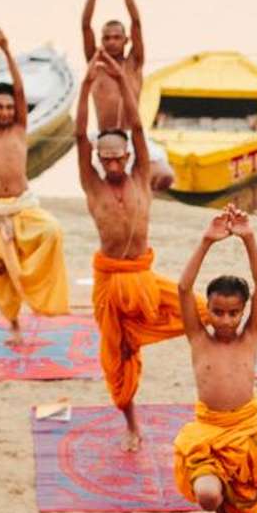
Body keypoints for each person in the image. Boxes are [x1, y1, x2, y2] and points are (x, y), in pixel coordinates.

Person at [78, 53, 197, 452]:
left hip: (144, 277)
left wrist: (123, 82)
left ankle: (216, 376)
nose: (113, 163)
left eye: (118, 156)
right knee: (117, 359)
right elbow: (79, 136)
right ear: (99, 159)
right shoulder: (93, 186)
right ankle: (131, 423)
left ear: (129, 156)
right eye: (106, 157)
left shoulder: (142, 177)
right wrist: (85, 86)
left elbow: (138, 127)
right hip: (111, 281)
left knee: (199, 310)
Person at [172, 205, 257, 513]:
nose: (226, 320)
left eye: (233, 313)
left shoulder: (250, 337)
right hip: (208, 436)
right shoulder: (199, 338)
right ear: (207, 310)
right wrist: (207, 240)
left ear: (243, 312)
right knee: (210, 497)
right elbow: (182, 287)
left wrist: (249, 238)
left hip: (245, 435)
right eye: (218, 312)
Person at [0, 27, 70, 346]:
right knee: (1, 271)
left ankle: (36, 282)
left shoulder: (19, 128)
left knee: (53, 230)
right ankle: (14, 323)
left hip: (23, 207)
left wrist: (7, 51)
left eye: (8, 107)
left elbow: (18, 90)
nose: (4, 111)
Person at [79, 0, 173, 191]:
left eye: (116, 37)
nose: (111, 42)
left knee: (165, 176)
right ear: (101, 41)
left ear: (126, 40)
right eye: (107, 38)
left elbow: (136, 21)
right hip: (105, 138)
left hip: (133, 136)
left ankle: (142, 197)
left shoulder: (134, 63)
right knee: (107, 187)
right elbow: (85, 25)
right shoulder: (96, 63)